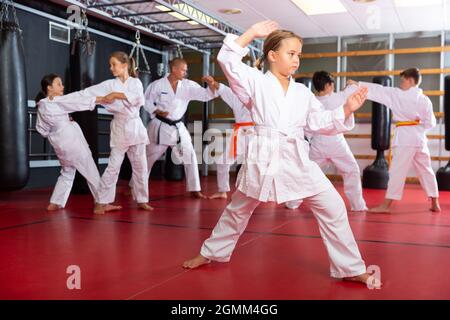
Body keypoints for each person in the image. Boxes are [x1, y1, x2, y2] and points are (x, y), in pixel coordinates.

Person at [183, 21, 379, 287]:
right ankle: (209, 253)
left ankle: (350, 267)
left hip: (297, 156)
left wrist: (345, 110)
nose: (296, 59)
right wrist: (251, 33)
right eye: (291, 53)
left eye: (299, 54)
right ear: (272, 55)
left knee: (332, 205)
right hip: (264, 154)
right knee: (238, 209)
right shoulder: (254, 81)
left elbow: (317, 121)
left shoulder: (301, 92)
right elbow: (227, 59)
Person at [348, 68, 440, 213]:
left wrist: (357, 84)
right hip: (420, 138)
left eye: (403, 80)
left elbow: (378, 91)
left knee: (397, 172)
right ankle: (435, 202)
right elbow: (431, 123)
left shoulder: (397, 95)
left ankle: (385, 205)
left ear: (410, 81)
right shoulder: (424, 100)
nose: (401, 83)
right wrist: (417, 127)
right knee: (426, 171)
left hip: (404, 139)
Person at [77, 51, 153, 214]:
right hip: (120, 127)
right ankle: (101, 202)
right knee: (113, 167)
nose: (111, 68)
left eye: (114, 64)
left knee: (141, 166)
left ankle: (142, 200)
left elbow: (139, 99)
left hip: (135, 127)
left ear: (124, 65)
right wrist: (67, 100)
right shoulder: (109, 84)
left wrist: (116, 94)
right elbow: (88, 93)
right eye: (110, 65)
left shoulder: (136, 83)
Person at [285, 71, 367, 212]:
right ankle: (358, 205)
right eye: (332, 84)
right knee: (352, 171)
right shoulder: (338, 98)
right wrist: (351, 83)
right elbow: (355, 90)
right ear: (329, 85)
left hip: (317, 144)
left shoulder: (312, 101)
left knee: (306, 173)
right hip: (336, 143)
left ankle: (292, 202)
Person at [138, 58, 217, 199]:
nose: (185, 72)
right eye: (183, 69)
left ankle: (194, 189)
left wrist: (211, 85)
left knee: (190, 156)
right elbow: (146, 101)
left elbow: (205, 95)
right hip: (159, 126)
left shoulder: (187, 85)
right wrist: (156, 110)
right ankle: (135, 186)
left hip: (178, 128)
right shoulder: (158, 85)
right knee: (147, 159)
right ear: (174, 69)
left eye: (186, 70)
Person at [35, 73, 109, 212]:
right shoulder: (57, 101)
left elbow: (41, 130)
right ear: (49, 88)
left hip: (60, 146)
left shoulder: (42, 106)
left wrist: (58, 128)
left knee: (67, 172)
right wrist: (102, 99)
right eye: (58, 84)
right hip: (72, 143)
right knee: (91, 171)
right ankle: (102, 203)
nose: (62, 86)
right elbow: (78, 102)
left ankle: (55, 202)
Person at [202, 76, 253, 200]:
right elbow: (224, 90)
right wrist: (213, 82)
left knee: (262, 164)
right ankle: (222, 190)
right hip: (240, 132)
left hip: (256, 133)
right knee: (223, 161)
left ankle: (271, 192)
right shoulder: (236, 97)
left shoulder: (262, 98)